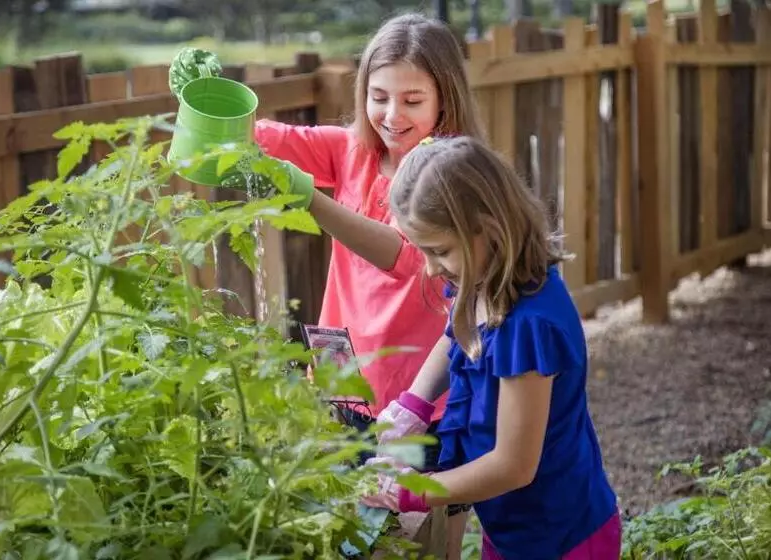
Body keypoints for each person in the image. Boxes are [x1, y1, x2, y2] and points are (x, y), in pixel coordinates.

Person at [252, 12, 486, 557]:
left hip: (420, 397)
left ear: (445, 100)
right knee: (349, 535)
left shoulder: (451, 171)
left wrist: (312, 201)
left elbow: (403, 257)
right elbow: (260, 140)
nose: (392, 115)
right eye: (379, 97)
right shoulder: (351, 150)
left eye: (412, 100)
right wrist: (211, 103)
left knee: (422, 537)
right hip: (341, 384)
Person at [360, 135, 621, 560]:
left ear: (490, 226)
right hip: (510, 529)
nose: (431, 268)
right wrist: (414, 404)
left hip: (561, 539)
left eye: (440, 251)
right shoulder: (483, 278)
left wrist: (414, 491)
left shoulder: (530, 326)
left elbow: (513, 466)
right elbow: (457, 333)